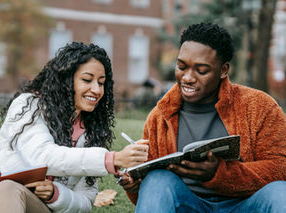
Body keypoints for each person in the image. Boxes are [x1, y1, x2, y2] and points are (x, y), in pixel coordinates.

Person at [119, 23, 286, 212]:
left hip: (245, 205)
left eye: (201, 70)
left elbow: (280, 168)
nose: (187, 77)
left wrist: (220, 174)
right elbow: (154, 195)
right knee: (157, 179)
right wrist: (134, 185)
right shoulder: (160, 117)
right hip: (189, 205)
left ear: (223, 70)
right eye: (181, 66)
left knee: (281, 192)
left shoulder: (260, 106)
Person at [0, 42, 149, 213]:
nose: (97, 90)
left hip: (37, 206)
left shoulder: (91, 131)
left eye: (101, 82)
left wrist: (55, 194)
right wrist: (111, 159)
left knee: (7, 188)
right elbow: (43, 155)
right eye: (87, 80)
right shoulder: (29, 105)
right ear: (66, 80)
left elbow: (85, 201)